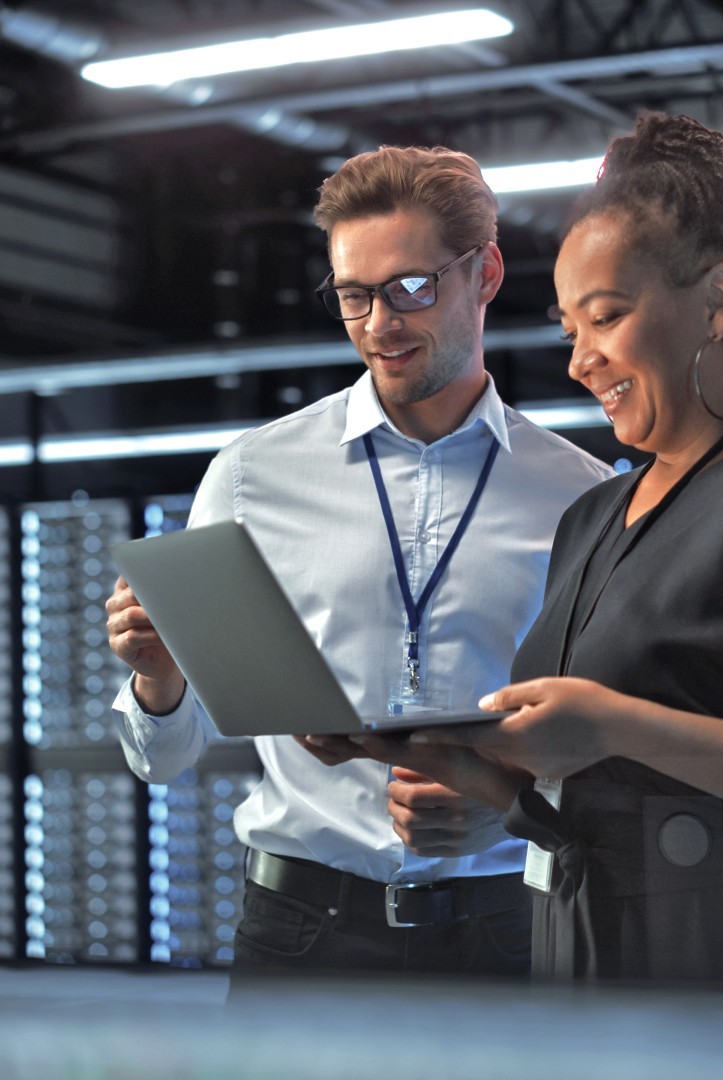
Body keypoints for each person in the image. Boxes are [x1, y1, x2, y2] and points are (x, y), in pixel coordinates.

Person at [320, 114, 723, 991]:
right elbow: (612, 796)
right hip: (590, 973)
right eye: (571, 326)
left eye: (607, 316)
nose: (581, 361)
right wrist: (490, 790)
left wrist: (615, 722)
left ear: (718, 301)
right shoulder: (596, 514)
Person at [105, 146, 614, 978]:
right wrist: (158, 682)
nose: (380, 323)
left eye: (412, 287)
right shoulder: (249, 477)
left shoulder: (585, 496)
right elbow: (162, 756)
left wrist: (513, 806)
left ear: (484, 274)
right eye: (353, 295)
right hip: (300, 931)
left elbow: (614, 742)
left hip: (510, 931)